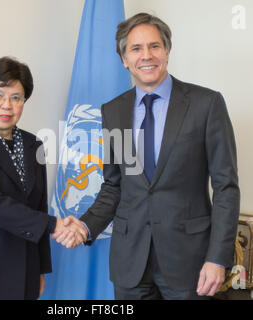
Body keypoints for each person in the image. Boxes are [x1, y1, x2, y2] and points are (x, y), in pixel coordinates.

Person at [53, 13, 240, 300]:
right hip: (130, 265)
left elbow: (226, 188)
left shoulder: (207, 104)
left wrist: (217, 258)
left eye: (154, 46)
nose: (146, 56)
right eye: (136, 49)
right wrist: (86, 225)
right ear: (124, 59)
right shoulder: (113, 111)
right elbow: (114, 186)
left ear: (166, 51)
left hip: (190, 264)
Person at [0, 57, 86, 300]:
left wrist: (40, 270)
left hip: (24, 268)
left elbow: (38, 205)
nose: (6, 105)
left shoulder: (34, 145)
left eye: (16, 97)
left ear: (24, 102)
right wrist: (55, 225)